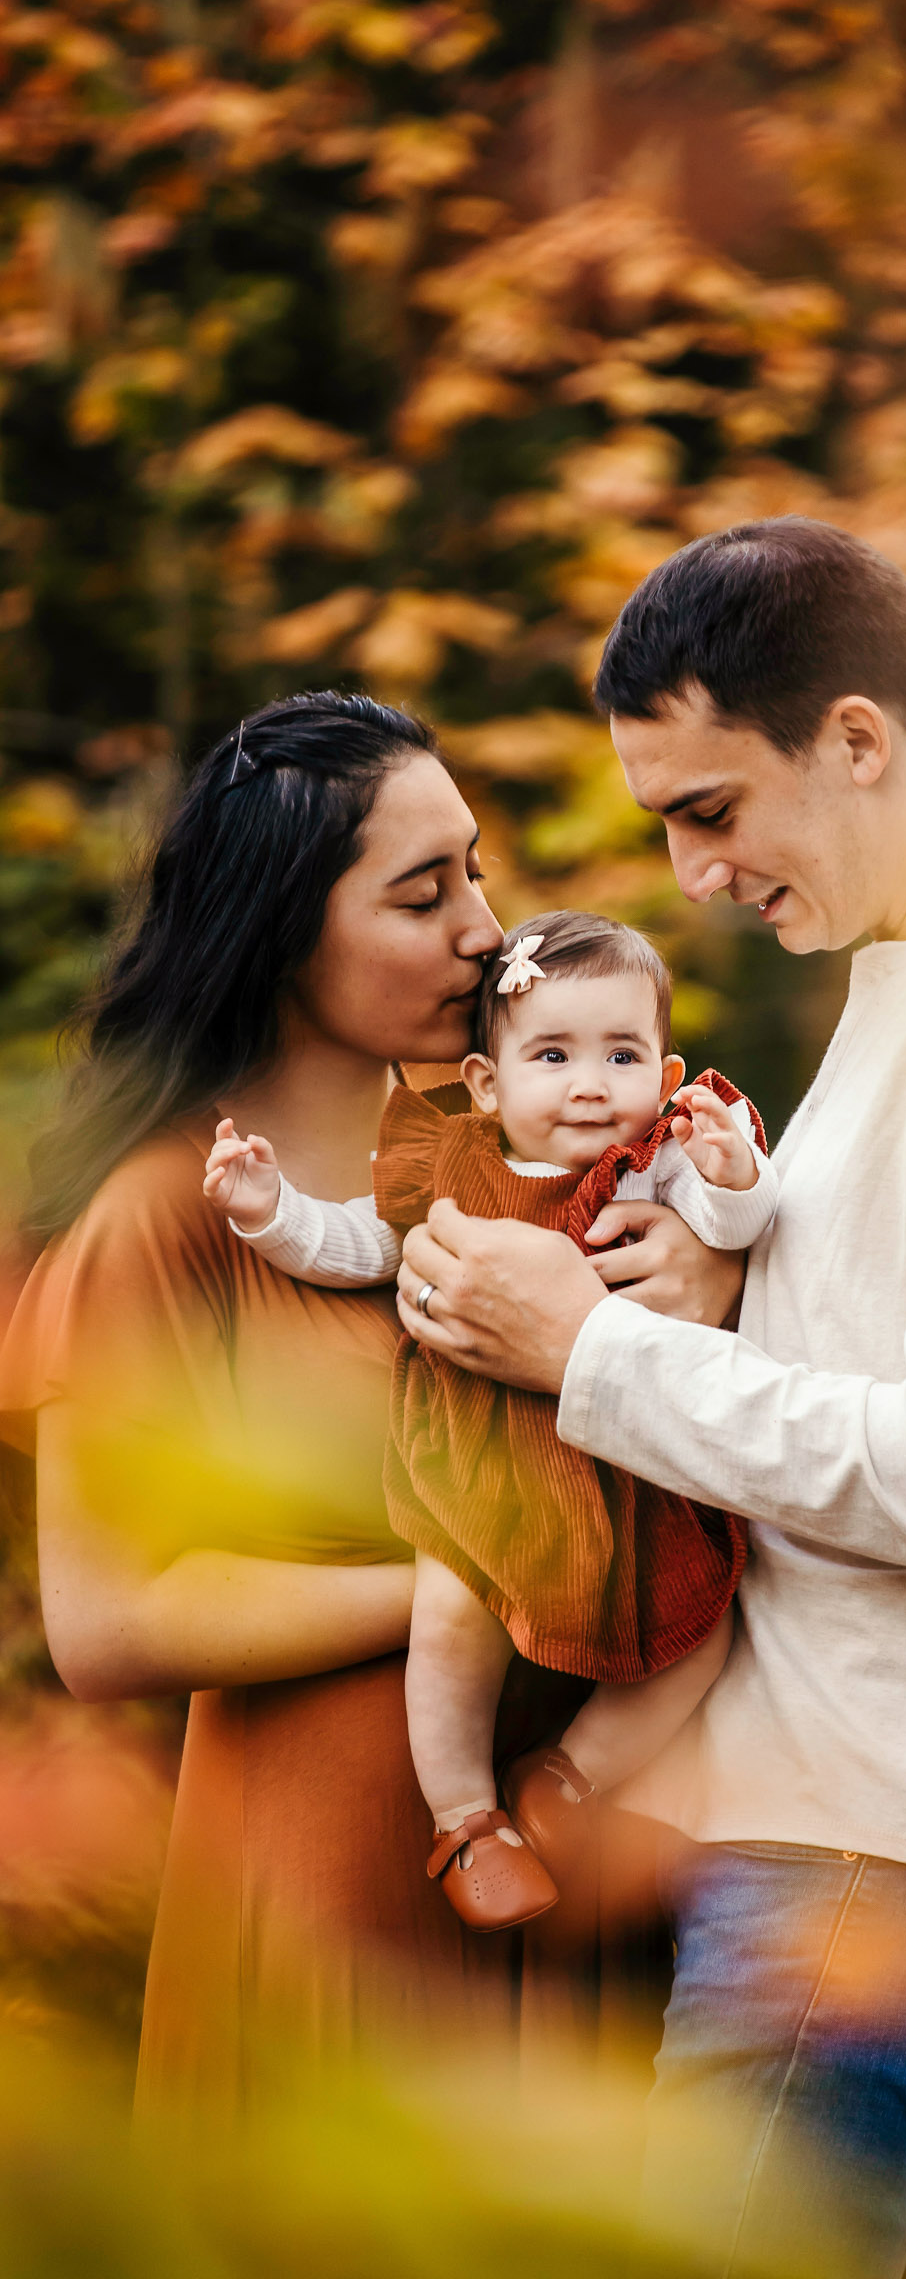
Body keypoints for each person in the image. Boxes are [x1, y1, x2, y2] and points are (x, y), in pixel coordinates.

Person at [395, 518, 906, 2278]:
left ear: (857, 739)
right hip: (855, 1852)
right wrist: (712, 1283)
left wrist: (596, 1351)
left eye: (711, 811)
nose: (694, 878)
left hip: (868, 1870)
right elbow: (905, 1377)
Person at [0, 693, 741, 2120]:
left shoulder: (544, 1176)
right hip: (327, 1932)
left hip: (585, 1903)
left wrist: (706, 1269)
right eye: (424, 893)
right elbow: (108, 1621)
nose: (485, 930)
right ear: (284, 929)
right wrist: (479, 1578)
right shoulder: (165, 1219)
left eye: (476, 871)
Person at [202, 908, 776, 1929]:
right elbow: (359, 1247)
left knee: (700, 1628)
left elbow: (740, 1223)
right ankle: (467, 1820)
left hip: (637, 1471)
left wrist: (732, 1178)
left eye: (621, 1053)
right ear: (486, 1082)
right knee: (452, 1627)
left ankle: (569, 1780)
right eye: (552, 1054)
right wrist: (267, 1211)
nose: (590, 1082)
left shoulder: (664, 1160)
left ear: (665, 1067)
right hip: (485, 1471)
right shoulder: (453, 1170)